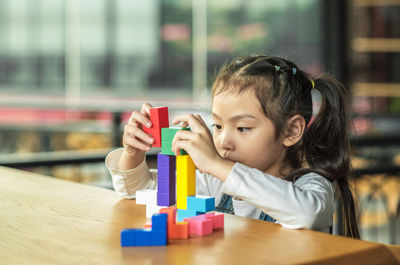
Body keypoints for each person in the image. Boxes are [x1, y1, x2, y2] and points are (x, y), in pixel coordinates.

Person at [106, 55, 360, 238]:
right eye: (217, 126)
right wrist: (133, 154)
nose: (223, 141)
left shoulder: (311, 186)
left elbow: (305, 215)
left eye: (242, 128)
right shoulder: (214, 182)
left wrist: (217, 165)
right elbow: (144, 191)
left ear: (291, 131)